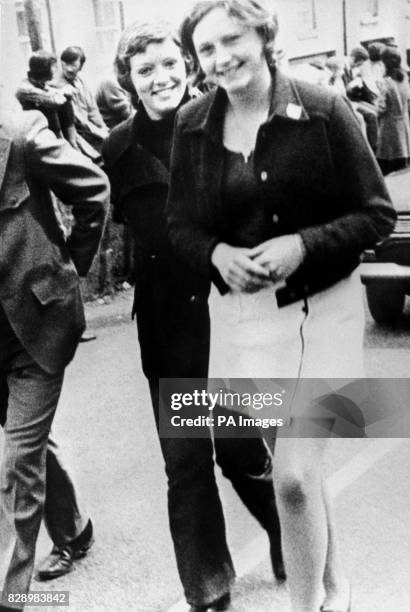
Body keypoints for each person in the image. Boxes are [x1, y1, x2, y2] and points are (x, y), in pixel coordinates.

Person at [167, 1, 396, 611]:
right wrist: (214, 254)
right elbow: (178, 225)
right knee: (296, 473)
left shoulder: (323, 109)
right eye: (207, 49)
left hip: (326, 310)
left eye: (231, 40)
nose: (220, 58)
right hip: (246, 324)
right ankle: (332, 583)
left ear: (264, 35)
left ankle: (305, 606)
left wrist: (305, 244)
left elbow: (377, 212)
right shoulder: (192, 125)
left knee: (292, 474)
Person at [102, 19, 284, 612]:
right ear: (128, 80)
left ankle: (288, 530)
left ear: (187, 64)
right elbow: (133, 230)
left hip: (226, 316)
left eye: (168, 64)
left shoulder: (220, 122)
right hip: (168, 326)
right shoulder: (120, 148)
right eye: (144, 69)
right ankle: (207, 586)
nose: (160, 78)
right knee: (185, 464)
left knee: (239, 449)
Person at [0, 109, 109, 611]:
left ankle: (8, 594)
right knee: (30, 443)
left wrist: (71, 266)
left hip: (36, 327)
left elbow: (93, 189)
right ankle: (74, 530)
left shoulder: (21, 137)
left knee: (17, 460)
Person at [54, 46, 108, 152]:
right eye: (66, 64)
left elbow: (93, 110)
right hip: (75, 132)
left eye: (74, 67)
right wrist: (100, 133)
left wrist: (103, 128)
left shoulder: (81, 82)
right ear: (62, 63)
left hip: (90, 129)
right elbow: (79, 119)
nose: (70, 70)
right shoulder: (56, 86)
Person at [376, 46, 410, 175]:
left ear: (384, 63)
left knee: (389, 164)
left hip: (389, 128)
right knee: (404, 162)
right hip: (405, 125)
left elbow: (381, 107)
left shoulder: (385, 82)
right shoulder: (405, 78)